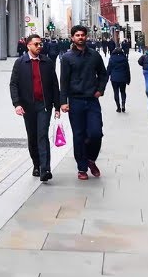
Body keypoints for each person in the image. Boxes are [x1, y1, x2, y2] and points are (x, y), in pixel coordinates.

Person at [59, 25, 107, 181]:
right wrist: (63, 102)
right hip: (75, 101)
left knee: (96, 133)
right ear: (72, 38)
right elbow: (64, 81)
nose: (80, 37)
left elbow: (103, 74)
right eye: (77, 35)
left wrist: (100, 90)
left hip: (92, 101)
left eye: (82, 35)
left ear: (86, 37)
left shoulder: (94, 55)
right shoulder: (67, 58)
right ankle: (82, 168)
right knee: (79, 135)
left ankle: (91, 159)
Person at [10, 34, 59, 183]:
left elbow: (54, 85)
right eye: (36, 44)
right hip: (28, 106)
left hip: (44, 105)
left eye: (40, 44)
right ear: (28, 46)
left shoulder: (47, 62)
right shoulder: (20, 63)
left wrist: (57, 106)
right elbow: (13, 84)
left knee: (42, 135)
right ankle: (36, 164)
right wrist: (17, 104)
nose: (39, 47)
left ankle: (45, 169)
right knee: (32, 137)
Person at [107, 46, 131, 113]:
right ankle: (123, 104)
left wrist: (106, 77)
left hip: (114, 78)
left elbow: (109, 69)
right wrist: (128, 79)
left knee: (116, 92)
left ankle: (118, 107)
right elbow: (127, 70)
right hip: (123, 78)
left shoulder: (112, 59)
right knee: (123, 92)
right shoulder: (124, 59)